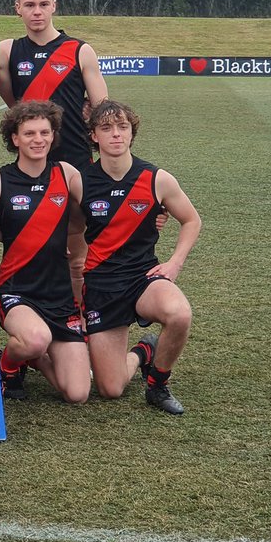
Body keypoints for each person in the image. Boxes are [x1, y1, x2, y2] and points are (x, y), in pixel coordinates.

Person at [80, 100, 201, 414]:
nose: (116, 135)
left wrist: (174, 263)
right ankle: (144, 351)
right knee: (110, 388)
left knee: (179, 314)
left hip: (143, 279)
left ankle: (158, 386)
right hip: (101, 286)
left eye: (122, 127)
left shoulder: (156, 178)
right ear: (94, 135)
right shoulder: (80, 182)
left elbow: (191, 220)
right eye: (106, 128)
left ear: (132, 133)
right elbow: (65, 229)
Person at [0, 100, 89, 404]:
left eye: (44, 132)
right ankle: (9, 367)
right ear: (14, 138)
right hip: (17, 290)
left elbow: (88, 216)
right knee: (35, 338)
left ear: (53, 136)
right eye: (29, 133)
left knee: (77, 394)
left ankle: (36, 358)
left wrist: (152, 216)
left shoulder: (66, 174)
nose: (38, 139)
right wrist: (26, 239)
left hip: (59, 296)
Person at [0, 0, 107, 167]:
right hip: (31, 161)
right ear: (18, 8)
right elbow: (15, 106)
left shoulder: (80, 50)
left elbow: (104, 112)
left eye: (43, 4)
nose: (37, 12)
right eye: (29, 5)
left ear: (53, 6)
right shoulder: (5, 51)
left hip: (76, 158)